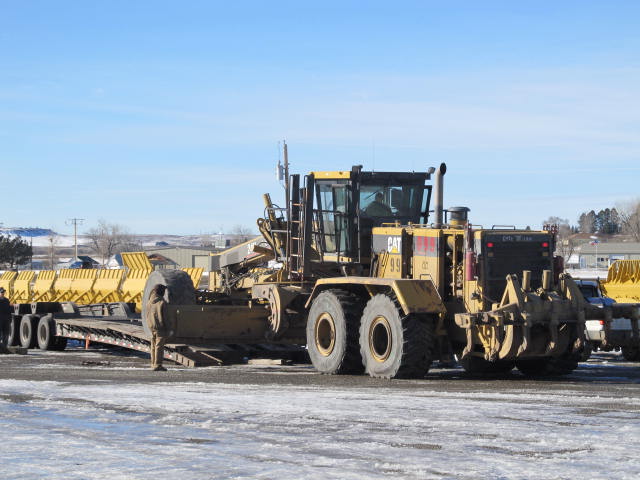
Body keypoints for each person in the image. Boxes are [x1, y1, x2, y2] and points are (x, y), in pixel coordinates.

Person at [144, 284, 172, 371]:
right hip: (160, 328)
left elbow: (147, 315)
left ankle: (153, 364)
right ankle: (158, 365)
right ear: (162, 292)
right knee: (159, 347)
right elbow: (165, 318)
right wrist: (169, 329)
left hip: (151, 327)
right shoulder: (162, 303)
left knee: (153, 346)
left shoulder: (149, 302)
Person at [0, 287, 12, 352]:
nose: (3, 293)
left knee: (6, 334)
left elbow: (9, 310)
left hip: (6, 320)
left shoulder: (7, 300)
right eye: (1, 292)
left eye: (3, 292)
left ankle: (5, 347)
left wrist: (10, 319)